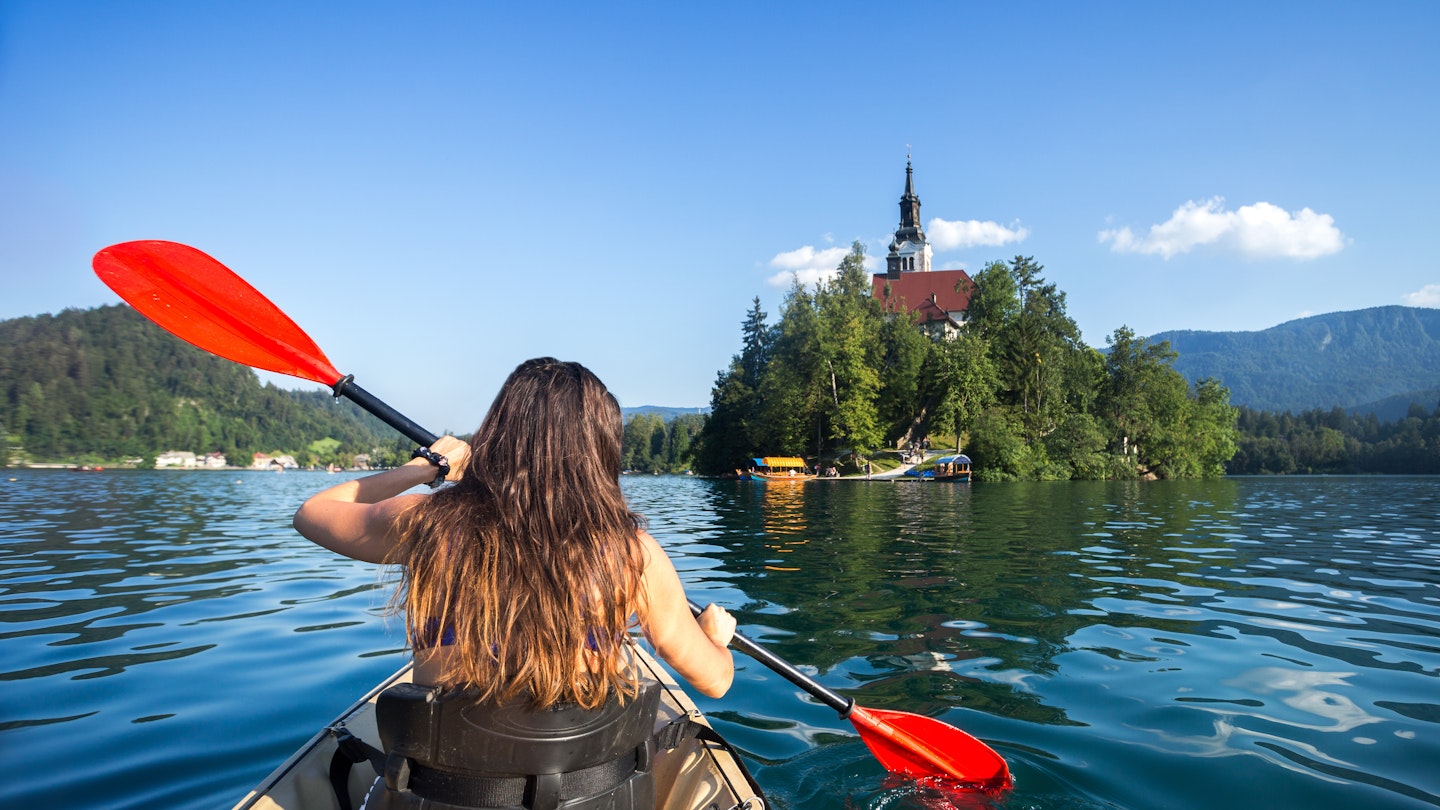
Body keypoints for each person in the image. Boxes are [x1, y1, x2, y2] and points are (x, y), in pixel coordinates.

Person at [293, 358, 735, 808]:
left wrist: (426, 468)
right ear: (601, 450)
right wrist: (714, 640)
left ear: (497, 436)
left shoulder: (425, 524)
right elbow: (716, 681)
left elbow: (312, 512)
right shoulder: (634, 555)